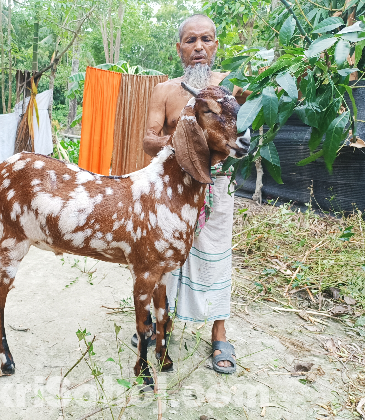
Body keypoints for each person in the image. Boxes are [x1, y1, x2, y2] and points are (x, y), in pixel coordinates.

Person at [131, 14, 249, 374]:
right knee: (161, 255)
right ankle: (156, 323)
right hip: (172, 190)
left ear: (216, 45)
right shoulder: (165, 91)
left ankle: (219, 334)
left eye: (207, 39)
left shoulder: (234, 87)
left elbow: (244, 133)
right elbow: (149, 141)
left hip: (217, 185)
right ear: (179, 48)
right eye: (190, 40)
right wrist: (184, 140)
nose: (199, 47)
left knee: (216, 254)